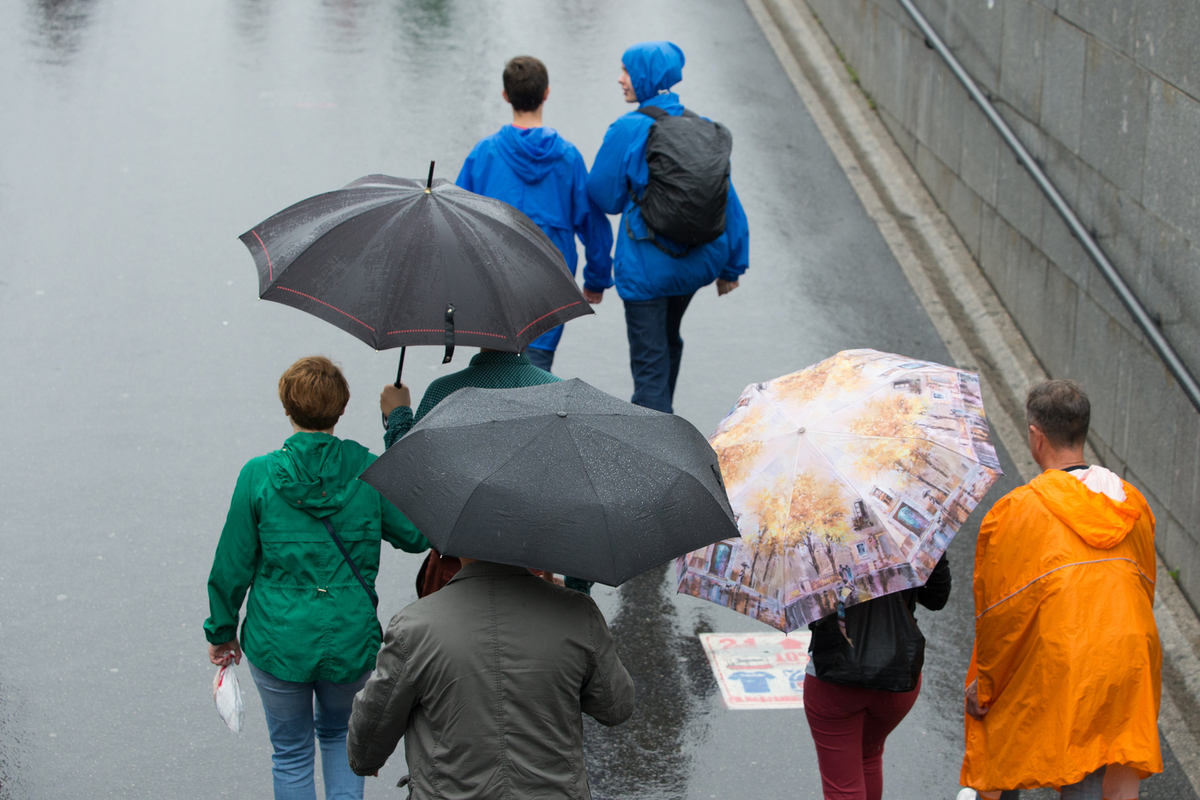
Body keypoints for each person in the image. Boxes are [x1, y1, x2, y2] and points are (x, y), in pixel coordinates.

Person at [204, 356, 429, 800]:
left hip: (277, 639)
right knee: (341, 744)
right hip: (349, 637)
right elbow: (417, 534)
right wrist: (399, 430)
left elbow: (231, 567)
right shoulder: (370, 472)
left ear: (287, 407)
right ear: (341, 409)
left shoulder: (258, 476)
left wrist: (221, 631)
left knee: (289, 753)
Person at [961, 380, 1161, 800]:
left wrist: (984, 686)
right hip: (1130, 654)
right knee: (1095, 762)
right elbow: (1144, 586)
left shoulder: (1017, 511)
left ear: (1036, 437)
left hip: (1067, 654)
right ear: (1082, 431)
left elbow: (1001, 615)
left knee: (1009, 729)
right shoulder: (1133, 503)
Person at [346, 557, 635, 798]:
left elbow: (370, 732)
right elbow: (616, 707)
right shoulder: (577, 613)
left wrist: (367, 759)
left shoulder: (415, 628)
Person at [586, 41, 749, 414]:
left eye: (626, 71)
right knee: (667, 339)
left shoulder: (630, 129)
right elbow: (728, 198)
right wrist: (732, 266)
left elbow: (605, 198)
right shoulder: (700, 126)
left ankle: (654, 442)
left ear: (644, 76)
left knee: (648, 368)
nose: (620, 79)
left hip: (648, 268)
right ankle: (666, 419)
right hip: (699, 263)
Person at [381, 350, 593, 595]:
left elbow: (414, 484)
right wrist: (576, 589)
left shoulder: (444, 393)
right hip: (533, 577)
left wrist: (397, 415)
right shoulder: (563, 400)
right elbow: (583, 506)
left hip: (454, 575)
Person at [456, 55, 613, 373]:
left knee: (491, 369)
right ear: (546, 94)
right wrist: (596, 279)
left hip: (493, 286)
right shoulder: (568, 157)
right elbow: (592, 223)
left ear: (505, 96)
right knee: (537, 373)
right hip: (549, 288)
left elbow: (456, 222)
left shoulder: (484, 154)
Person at [803, 555, 952, 800]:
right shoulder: (911, 533)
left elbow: (808, 606)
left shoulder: (812, 531)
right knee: (869, 755)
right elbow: (936, 598)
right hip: (898, 674)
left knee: (842, 787)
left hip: (834, 681)